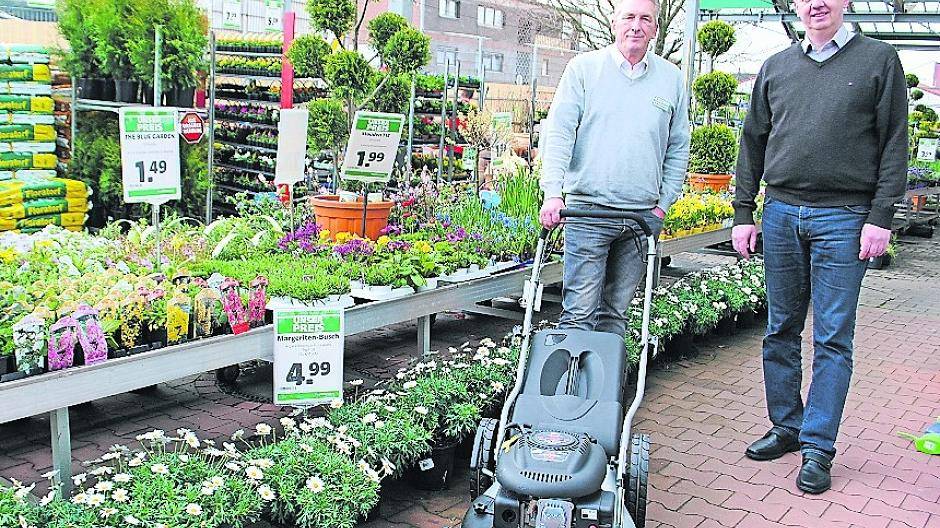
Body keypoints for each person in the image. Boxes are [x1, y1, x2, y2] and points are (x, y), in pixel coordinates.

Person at [732, 0, 907, 494]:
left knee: (832, 337)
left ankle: (817, 446)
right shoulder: (777, 66)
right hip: (782, 212)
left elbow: (896, 142)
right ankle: (787, 426)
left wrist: (880, 218)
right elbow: (753, 142)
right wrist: (744, 212)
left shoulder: (879, 60)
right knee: (780, 328)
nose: (817, 4)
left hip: (846, 220)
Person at [538, 0, 689, 337]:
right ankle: (572, 389)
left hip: (640, 217)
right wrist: (552, 193)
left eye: (645, 19)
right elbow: (559, 132)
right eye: (629, 17)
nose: (636, 26)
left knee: (616, 314)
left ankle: (607, 388)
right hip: (588, 212)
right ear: (614, 23)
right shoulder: (584, 69)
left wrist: (663, 204)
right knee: (579, 311)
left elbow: (678, 146)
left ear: (655, 28)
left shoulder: (671, 79)